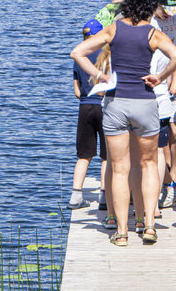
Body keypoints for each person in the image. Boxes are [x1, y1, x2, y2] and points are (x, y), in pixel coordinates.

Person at [71, 0, 176, 247]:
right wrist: (159, 77)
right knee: (148, 165)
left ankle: (121, 231)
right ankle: (149, 225)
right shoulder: (153, 34)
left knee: (119, 169)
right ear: (150, 6)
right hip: (145, 103)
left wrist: (99, 75)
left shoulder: (114, 28)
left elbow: (78, 52)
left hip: (116, 103)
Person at [151, 0, 176, 208]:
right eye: (165, 10)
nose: (168, 15)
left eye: (172, 10)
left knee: (175, 131)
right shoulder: (150, 21)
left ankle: (172, 178)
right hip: (153, 82)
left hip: (172, 82)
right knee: (157, 138)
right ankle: (167, 181)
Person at [68, 20, 107, 210]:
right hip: (103, 107)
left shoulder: (79, 57)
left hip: (84, 108)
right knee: (107, 156)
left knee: (84, 155)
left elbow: (76, 92)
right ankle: (105, 198)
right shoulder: (106, 55)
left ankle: (76, 196)